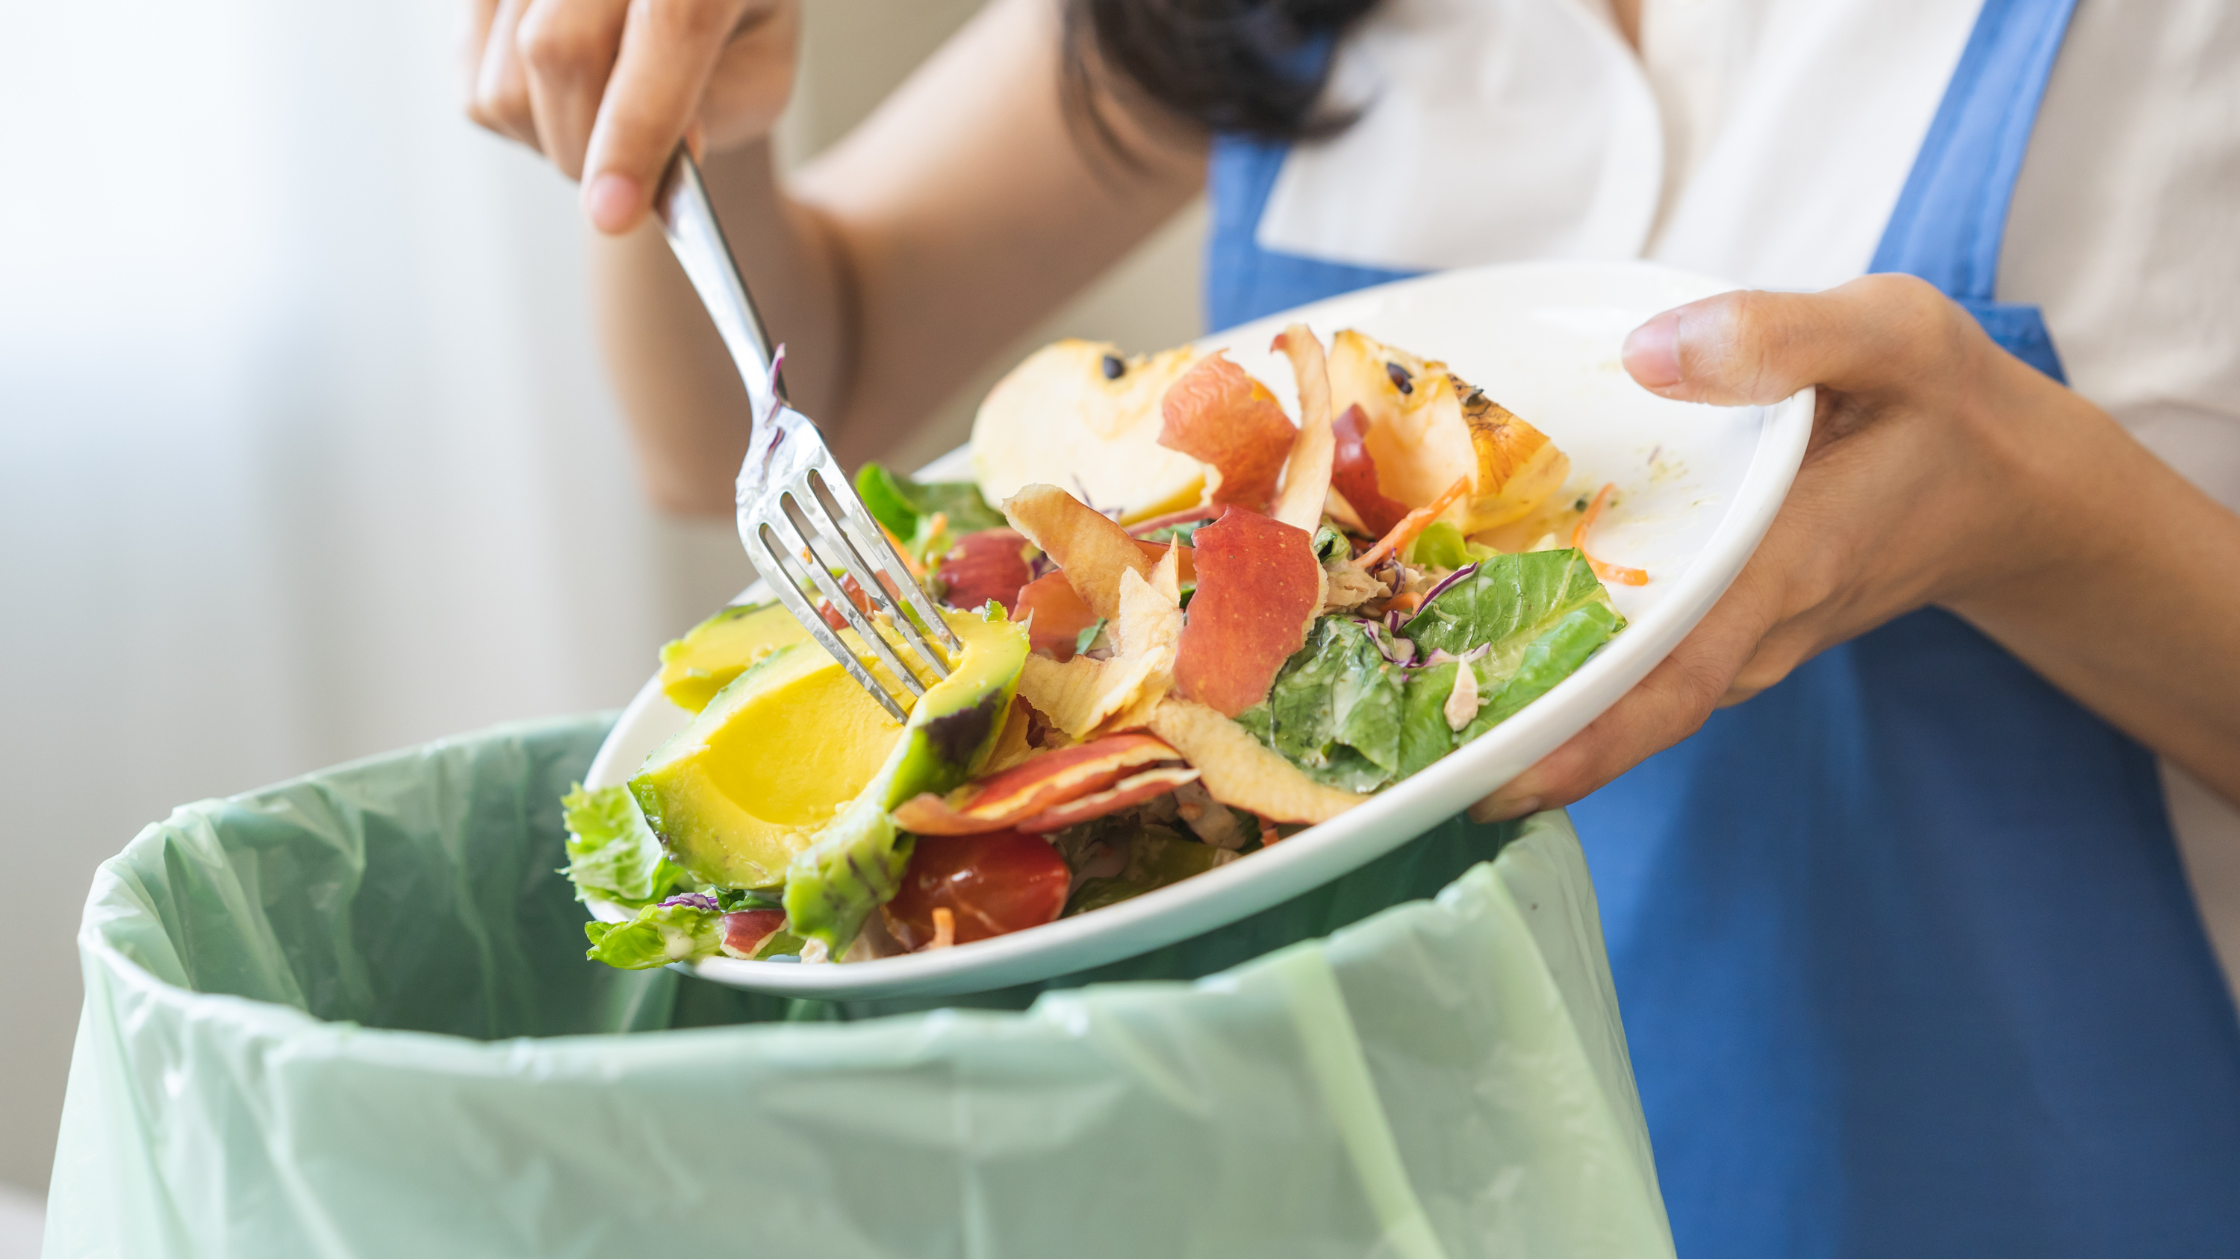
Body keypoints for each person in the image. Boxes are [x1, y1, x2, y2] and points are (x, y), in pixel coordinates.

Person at [463, 0, 2240, 1250]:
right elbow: (756, 408)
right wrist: (689, 129)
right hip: (1381, 1192)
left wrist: (2030, 509)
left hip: (2020, 1178)